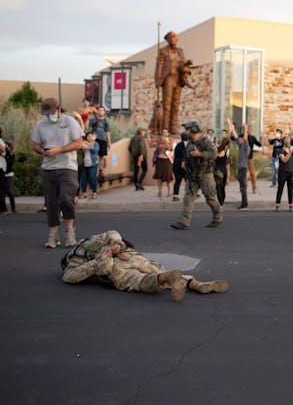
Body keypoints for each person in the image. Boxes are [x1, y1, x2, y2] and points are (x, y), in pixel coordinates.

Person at [61, 230, 228, 302]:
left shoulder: (74, 260)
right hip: (128, 256)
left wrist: (98, 261)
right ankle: (196, 284)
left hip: (114, 267)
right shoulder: (95, 239)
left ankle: (162, 279)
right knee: (152, 267)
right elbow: (113, 233)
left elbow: (70, 277)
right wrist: (116, 245)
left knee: (136, 279)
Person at [31, 97, 84, 248]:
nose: (49, 116)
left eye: (51, 112)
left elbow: (79, 142)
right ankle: (53, 235)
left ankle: (70, 232)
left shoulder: (70, 122)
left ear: (59, 109)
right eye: (46, 113)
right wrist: (42, 151)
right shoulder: (41, 125)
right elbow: (35, 144)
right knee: (51, 202)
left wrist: (59, 149)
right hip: (48, 168)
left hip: (67, 167)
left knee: (66, 199)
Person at [171, 121, 223, 230]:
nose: (186, 132)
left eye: (188, 129)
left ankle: (217, 218)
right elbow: (187, 154)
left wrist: (200, 154)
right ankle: (184, 222)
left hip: (205, 174)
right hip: (193, 175)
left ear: (194, 130)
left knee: (210, 198)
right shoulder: (190, 143)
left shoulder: (205, 142)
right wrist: (184, 162)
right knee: (188, 197)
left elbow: (214, 154)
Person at [154, 30, 187, 135]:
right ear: (167, 40)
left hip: (178, 79)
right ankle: (165, 127)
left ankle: (173, 127)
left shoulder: (180, 51)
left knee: (176, 104)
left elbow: (183, 63)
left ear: (177, 39)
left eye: (174, 37)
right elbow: (159, 66)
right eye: (170, 37)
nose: (173, 39)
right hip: (168, 78)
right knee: (167, 104)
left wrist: (185, 67)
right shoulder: (163, 51)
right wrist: (158, 79)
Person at [227, 118, 251, 211]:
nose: (239, 139)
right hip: (240, 169)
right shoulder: (241, 145)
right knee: (242, 188)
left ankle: (244, 205)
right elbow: (236, 137)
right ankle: (243, 203)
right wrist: (231, 126)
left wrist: (245, 129)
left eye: (241, 139)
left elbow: (244, 138)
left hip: (243, 169)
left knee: (243, 188)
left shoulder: (245, 147)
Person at [275, 137, 293, 212]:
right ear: (283, 142)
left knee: (290, 189)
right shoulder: (279, 150)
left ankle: (290, 205)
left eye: (289, 141)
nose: (288, 142)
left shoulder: (292, 151)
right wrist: (290, 152)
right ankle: (277, 205)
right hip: (282, 172)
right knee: (280, 188)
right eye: (286, 141)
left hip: (290, 172)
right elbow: (284, 160)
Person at [87, 106, 111, 177]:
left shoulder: (106, 121)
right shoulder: (92, 120)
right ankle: (92, 171)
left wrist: (109, 142)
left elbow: (108, 132)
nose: (100, 111)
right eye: (99, 110)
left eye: (102, 110)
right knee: (93, 155)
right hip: (94, 140)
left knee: (101, 157)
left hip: (103, 140)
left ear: (104, 112)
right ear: (97, 111)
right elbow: (89, 129)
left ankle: (100, 170)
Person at [151, 128, 174, 198]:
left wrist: (166, 142)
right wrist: (152, 140)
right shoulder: (159, 140)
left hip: (167, 161)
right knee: (159, 177)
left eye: (165, 132)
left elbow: (171, 149)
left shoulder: (170, 140)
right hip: (159, 160)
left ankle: (169, 192)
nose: (164, 133)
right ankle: (159, 191)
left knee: (168, 177)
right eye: (163, 132)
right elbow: (153, 146)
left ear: (168, 133)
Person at [78, 130, 99, 199]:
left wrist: (88, 145)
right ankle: (84, 193)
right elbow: (81, 147)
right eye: (88, 136)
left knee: (93, 178)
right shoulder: (83, 143)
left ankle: (94, 193)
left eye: (91, 136)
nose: (89, 137)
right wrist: (88, 145)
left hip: (93, 164)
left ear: (93, 137)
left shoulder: (96, 144)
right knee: (83, 179)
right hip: (84, 164)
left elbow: (95, 151)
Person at [214, 129, 230, 206]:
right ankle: (222, 201)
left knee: (218, 187)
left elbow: (216, 147)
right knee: (223, 187)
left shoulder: (217, 151)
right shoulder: (227, 150)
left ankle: (220, 202)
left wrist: (215, 142)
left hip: (218, 170)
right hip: (224, 171)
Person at [129, 127, 148, 191]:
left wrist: (133, 153)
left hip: (135, 156)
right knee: (145, 169)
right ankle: (139, 183)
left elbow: (129, 148)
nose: (144, 132)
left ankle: (136, 185)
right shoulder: (141, 137)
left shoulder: (133, 138)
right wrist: (142, 155)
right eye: (144, 131)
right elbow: (141, 146)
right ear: (141, 132)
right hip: (141, 157)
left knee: (136, 171)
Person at [171, 132, 189, 201]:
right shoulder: (187, 145)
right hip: (183, 166)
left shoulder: (178, 145)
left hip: (176, 166)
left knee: (178, 180)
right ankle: (189, 195)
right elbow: (184, 155)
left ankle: (175, 195)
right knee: (187, 181)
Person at [246, 127, 263, 194]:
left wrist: (262, 138)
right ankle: (244, 188)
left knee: (252, 173)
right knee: (244, 174)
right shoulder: (241, 137)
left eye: (249, 130)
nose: (248, 131)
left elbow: (259, 145)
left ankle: (254, 188)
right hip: (243, 159)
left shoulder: (252, 138)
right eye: (247, 130)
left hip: (250, 158)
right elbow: (233, 138)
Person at [1, 139, 16, 213]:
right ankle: (4, 209)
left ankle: (13, 208)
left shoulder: (11, 155)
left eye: (7, 146)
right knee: (2, 193)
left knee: (10, 192)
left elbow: (9, 164)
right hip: (2, 175)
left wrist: (6, 155)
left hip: (9, 175)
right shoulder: (2, 156)